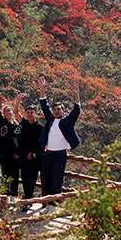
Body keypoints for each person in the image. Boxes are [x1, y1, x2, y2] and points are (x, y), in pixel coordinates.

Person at [38, 76, 80, 204]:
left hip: (60, 154)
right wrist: (42, 88)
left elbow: (76, 110)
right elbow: (43, 103)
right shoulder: (50, 119)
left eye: (59, 109)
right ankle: (49, 203)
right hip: (47, 153)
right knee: (45, 180)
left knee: (57, 180)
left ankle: (55, 204)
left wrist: (76, 95)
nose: (56, 111)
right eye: (54, 109)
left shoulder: (67, 121)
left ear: (63, 111)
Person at [0, 88, 23, 197]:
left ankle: (14, 195)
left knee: (14, 176)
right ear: (4, 113)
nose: (8, 113)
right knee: (5, 175)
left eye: (10, 111)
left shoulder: (18, 126)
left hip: (15, 156)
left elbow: (21, 141)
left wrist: (19, 153)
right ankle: (4, 196)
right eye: (6, 111)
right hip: (4, 154)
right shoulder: (1, 123)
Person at [18, 101, 44, 205]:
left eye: (32, 112)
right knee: (24, 178)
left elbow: (40, 143)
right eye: (28, 112)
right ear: (25, 114)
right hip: (23, 156)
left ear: (35, 114)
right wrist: (17, 102)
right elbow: (16, 113)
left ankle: (28, 200)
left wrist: (32, 153)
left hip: (33, 158)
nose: (30, 114)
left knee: (31, 179)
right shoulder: (24, 124)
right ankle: (26, 199)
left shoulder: (40, 127)